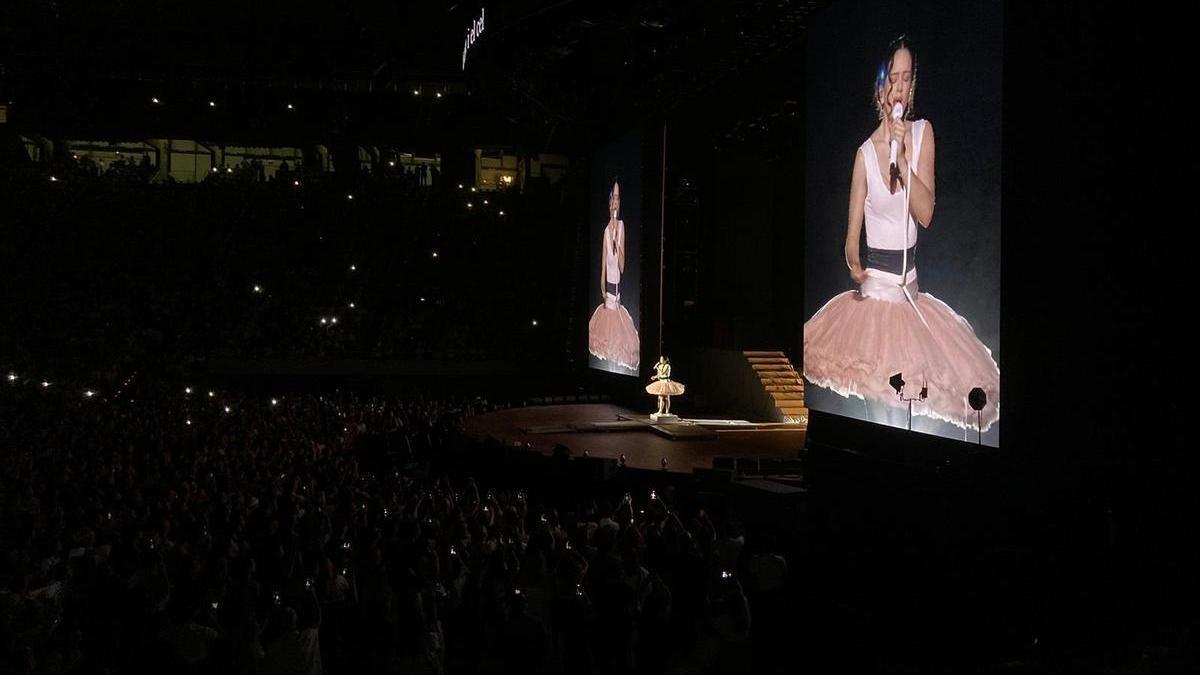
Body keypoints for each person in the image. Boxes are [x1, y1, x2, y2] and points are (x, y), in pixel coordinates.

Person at [803, 35, 999, 432]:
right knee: (879, 413)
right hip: (875, 302)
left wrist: (904, 158)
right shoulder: (862, 156)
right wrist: (855, 265)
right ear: (880, 86)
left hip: (911, 299)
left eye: (907, 78)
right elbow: (850, 242)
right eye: (893, 77)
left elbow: (925, 214)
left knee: (906, 413)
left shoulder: (924, 133)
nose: (900, 87)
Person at [588, 178, 640, 371]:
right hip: (607, 289)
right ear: (610, 202)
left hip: (617, 286)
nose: (615, 202)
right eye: (614, 198)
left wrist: (616, 240)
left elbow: (622, 265)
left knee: (618, 332)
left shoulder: (621, 226)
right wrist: (601, 287)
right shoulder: (605, 231)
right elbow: (603, 264)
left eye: (618, 198)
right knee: (603, 333)